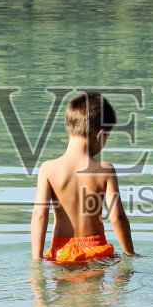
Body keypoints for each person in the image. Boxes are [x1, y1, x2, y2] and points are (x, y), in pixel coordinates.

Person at [31, 91, 136, 263]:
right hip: (96, 251)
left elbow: (39, 216)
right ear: (100, 134)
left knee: (63, 289)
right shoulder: (105, 170)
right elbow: (117, 217)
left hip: (61, 254)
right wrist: (130, 253)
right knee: (95, 289)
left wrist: (36, 260)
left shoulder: (48, 169)